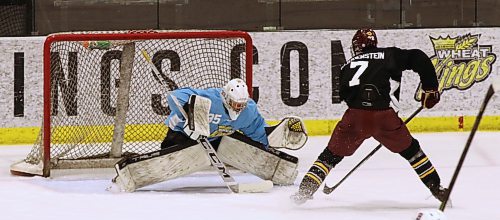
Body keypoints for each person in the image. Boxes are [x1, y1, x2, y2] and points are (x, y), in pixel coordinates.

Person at [291, 29, 447, 204]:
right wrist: (430, 88)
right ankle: (437, 188)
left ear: (356, 47)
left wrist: (364, 114)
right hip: (385, 117)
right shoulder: (388, 55)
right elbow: (419, 57)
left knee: (330, 156)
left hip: (356, 118)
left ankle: (304, 192)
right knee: (412, 152)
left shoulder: (346, 66)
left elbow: (344, 95)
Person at [112, 78, 308, 192]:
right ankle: (131, 167)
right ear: (225, 98)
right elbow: (174, 97)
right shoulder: (210, 98)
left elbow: (257, 133)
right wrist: (190, 114)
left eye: (241, 104)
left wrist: (273, 135)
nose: (238, 108)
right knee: (167, 157)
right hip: (182, 134)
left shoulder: (248, 112)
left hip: (214, 140)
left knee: (237, 141)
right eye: (234, 104)